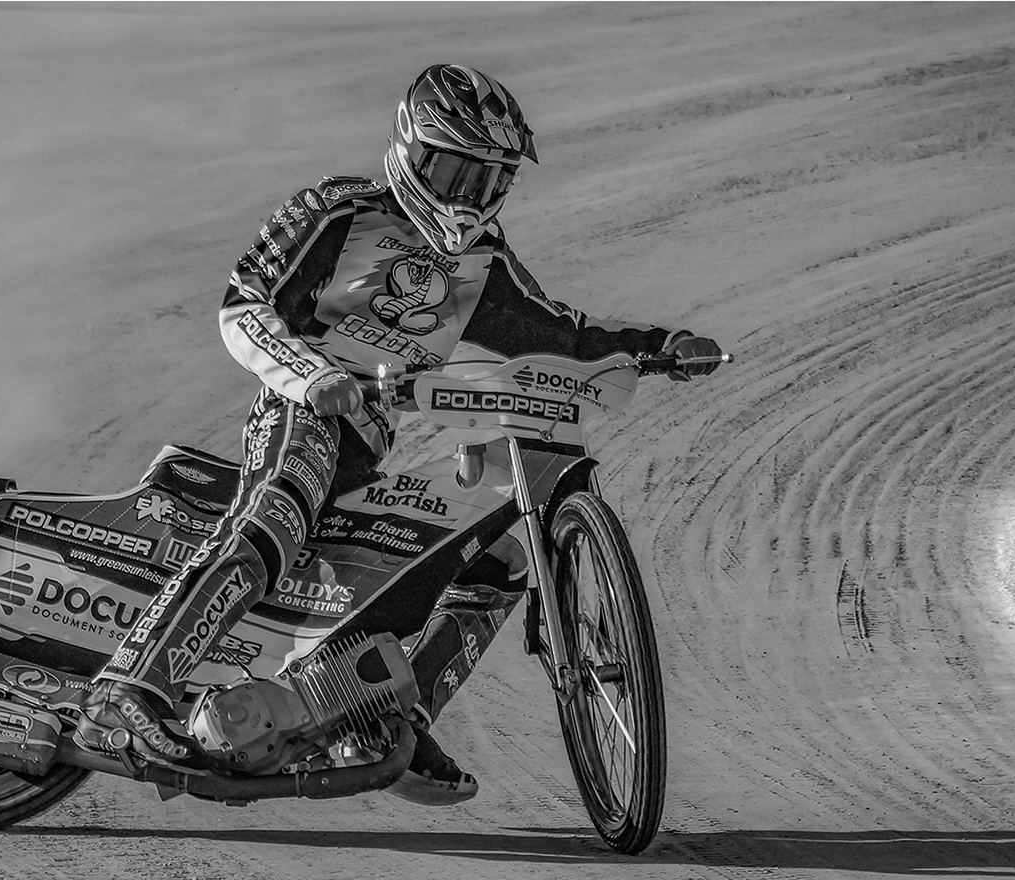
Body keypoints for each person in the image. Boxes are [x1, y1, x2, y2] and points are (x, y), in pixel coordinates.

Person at [76, 63, 722, 804]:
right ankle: (128, 689)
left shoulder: (484, 263)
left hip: (370, 448)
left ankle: (392, 720)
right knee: (276, 513)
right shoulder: (340, 210)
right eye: (455, 171)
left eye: (489, 179)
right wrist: (313, 375)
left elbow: (565, 335)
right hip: (301, 414)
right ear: (412, 150)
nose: (468, 196)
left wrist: (662, 346)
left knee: (500, 554)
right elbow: (243, 304)